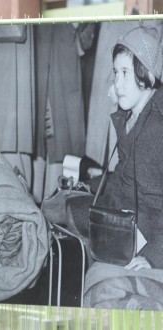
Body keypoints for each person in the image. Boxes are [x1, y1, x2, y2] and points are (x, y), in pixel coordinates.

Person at [68, 26, 163, 309]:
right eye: (115, 73)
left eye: (125, 73)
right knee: (63, 208)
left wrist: (155, 256)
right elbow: (124, 178)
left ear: (145, 74)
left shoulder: (154, 131)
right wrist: (88, 185)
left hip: (139, 241)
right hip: (127, 225)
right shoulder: (134, 117)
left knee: (64, 216)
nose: (117, 84)